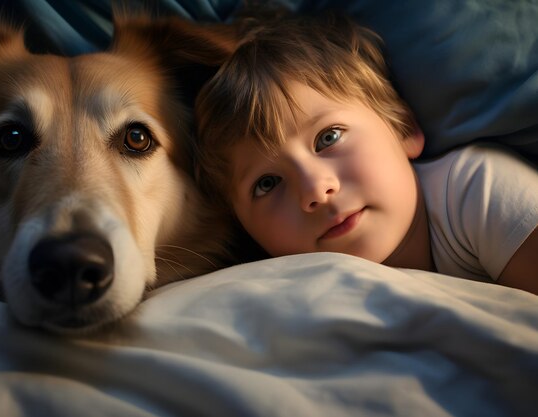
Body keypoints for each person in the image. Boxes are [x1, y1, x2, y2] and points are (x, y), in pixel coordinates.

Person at [194, 10, 538, 294]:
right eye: (267, 183)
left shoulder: (474, 191)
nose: (315, 190)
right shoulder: (281, 294)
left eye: (328, 138)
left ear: (402, 127)